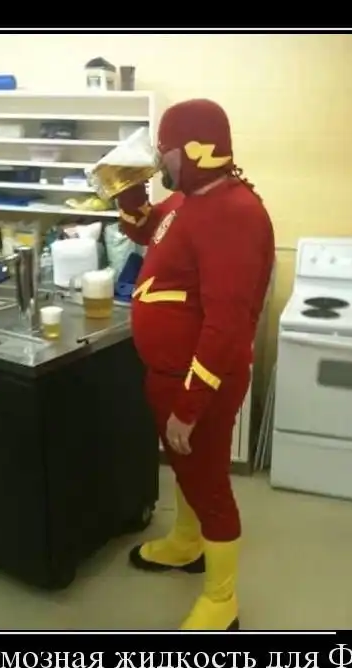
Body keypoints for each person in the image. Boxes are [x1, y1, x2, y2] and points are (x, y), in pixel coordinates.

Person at [117, 98, 275, 631]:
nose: (160, 158)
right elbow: (147, 229)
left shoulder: (234, 213)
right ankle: (187, 543)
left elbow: (227, 326)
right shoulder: (189, 200)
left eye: (165, 150)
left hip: (200, 383)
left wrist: (189, 406)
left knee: (210, 486)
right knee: (188, 469)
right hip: (169, 375)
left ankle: (222, 601)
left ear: (194, 150)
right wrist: (127, 185)